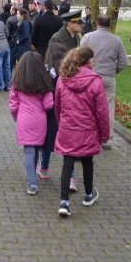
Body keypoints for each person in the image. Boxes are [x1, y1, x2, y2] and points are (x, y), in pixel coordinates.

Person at [54, 46, 110, 218]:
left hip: (68, 128)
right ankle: (88, 194)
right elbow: (101, 112)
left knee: (67, 162)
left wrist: (61, 124)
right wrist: (104, 135)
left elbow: (58, 106)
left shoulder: (62, 79)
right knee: (87, 161)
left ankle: (64, 202)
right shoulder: (95, 81)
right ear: (88, 61)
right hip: (88, 129)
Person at [9, 51, 55, 196]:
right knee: (36, 148)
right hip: (40, 119)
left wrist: (16, 117)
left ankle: (32, 183)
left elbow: (13, 104)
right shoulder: (44, 82)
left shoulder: (18, 82)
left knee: (29, 149)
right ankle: (33, 172)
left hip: (24, 118)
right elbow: (48, 105)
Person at [79, 15, 127, 147]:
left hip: (90, 77)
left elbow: (79, 56)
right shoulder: (116, 40)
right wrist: (113, 70)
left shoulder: (87, 37)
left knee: (88, 106)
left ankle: (89, 135)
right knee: (108, 107)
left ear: (97, 23)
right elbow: (123, 61)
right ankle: (107, 138)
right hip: (107, 78)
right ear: (109, 25)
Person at [38, 43, 68, 183]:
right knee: (67, 145)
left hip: (49, 111)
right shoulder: (68, 71)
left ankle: (44, 168)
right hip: (65, 110)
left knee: (47, 141)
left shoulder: (46, 71)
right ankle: (71, 177)